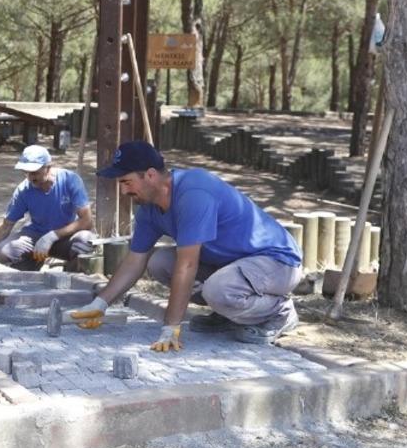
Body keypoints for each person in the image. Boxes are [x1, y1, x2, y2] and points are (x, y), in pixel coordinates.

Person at [71, 141, 302, 351]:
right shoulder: (149, 208)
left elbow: (188, 265)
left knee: (218, 291)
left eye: (126, 182)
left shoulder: (194, 193)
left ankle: (280, 312)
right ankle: (230, 313)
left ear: (150, 175)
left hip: (277, 263)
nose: (123, 191)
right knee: (160, 263)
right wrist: (100, 303)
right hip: (234, 265)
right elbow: (135, 260)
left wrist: (170, 327)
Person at [0, 145, 95, 271]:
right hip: (36, 237)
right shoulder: (24, 190)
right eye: (26, 173)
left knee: (85, 241)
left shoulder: (70, 180)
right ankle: (32, 272)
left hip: (65, 237)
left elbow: (87, 221)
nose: (31, 178)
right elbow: (5, 226)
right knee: (3, 251)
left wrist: (52, 236)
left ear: (48, 167)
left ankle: (70, 273)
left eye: (35, 173)